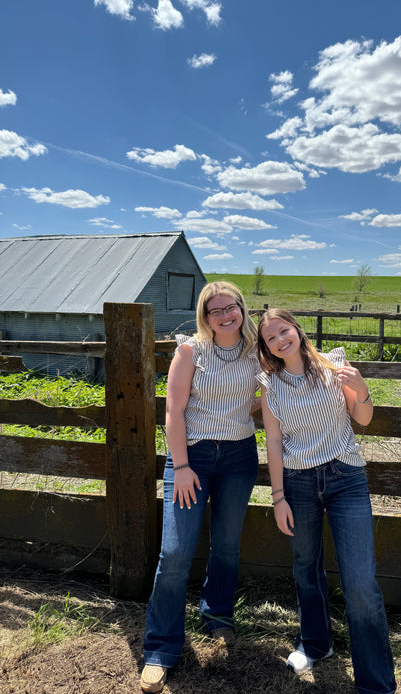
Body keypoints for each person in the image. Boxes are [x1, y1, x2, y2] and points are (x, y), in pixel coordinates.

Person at [257, 309, 396, 694]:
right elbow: (272, 442)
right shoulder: (269, 383)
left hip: (344, 478)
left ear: (296, 330)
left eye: (283, 331)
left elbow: (363, 418)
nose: (280, 340)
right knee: (306, 567)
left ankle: (376, 684)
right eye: (271, 338)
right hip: (297, 483)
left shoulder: (334, 365)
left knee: (360, 582)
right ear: (266, 346)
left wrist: (362, 386)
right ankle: (317, 644)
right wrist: (278, 497)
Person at [141, 281, 260, 693]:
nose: (226, 316)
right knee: (175, 551)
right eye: (216, 311)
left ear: (242, 310)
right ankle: (160, 649)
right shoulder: (190, 351)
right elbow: (173, 411)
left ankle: (218, 615)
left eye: (232, 308)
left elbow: (276, 387)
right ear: (204, 316)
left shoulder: (256, 351)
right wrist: (184, 465)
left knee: (226, 543)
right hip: (192, 458)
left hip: (240, 458)